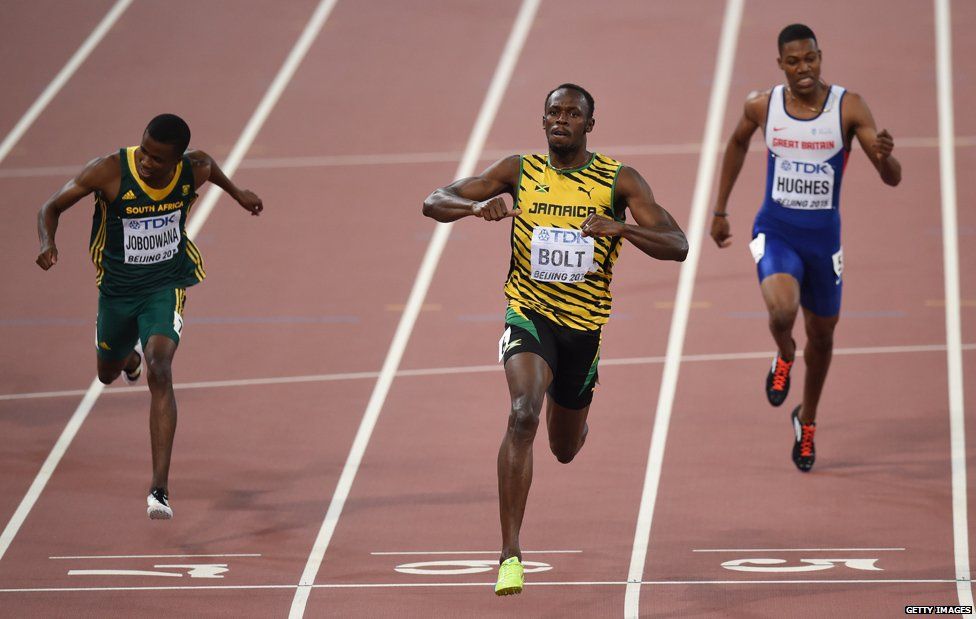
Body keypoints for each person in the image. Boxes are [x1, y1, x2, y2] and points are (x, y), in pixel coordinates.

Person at [423, 84, 688, 596]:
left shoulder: (619, 180)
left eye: (572, 114)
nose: (561, 120)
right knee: (522, 411)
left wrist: (621, 230)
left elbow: (676, 245)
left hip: (583, 332)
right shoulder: (519, 171)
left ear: (590, 124)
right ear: (542, 121)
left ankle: (571, 418)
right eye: (553, 112)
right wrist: (476, 210)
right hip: (529, 314)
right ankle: (510, 555)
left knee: (563, 447)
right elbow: (435, 201)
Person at [36, 114, 263, 519]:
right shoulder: (108, 171)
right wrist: (47, 242)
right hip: (118, 293)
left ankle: (159, 489)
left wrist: (238, 192)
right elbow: (50, 206)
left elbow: (209, 165)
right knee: (106, 373)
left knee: (162, 368)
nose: (145, 162)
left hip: (166, 285)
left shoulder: (192, 170)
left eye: (157, 159)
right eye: (143, 151)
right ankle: (128, 357)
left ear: (176, 161)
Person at [711, 24, 901, 472]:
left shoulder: (847, 107)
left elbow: (892, 177)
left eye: (810, 59)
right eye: (793, 61)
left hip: (823, 243)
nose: (803, 68)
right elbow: (737, 142)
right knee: (781, 312)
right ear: (781, 64)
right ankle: (784, 352)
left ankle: (807, 419)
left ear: (820, 56)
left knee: (824, 336)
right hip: (776, 231)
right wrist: (720, 210)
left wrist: (886, 155)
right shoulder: (763, 105)